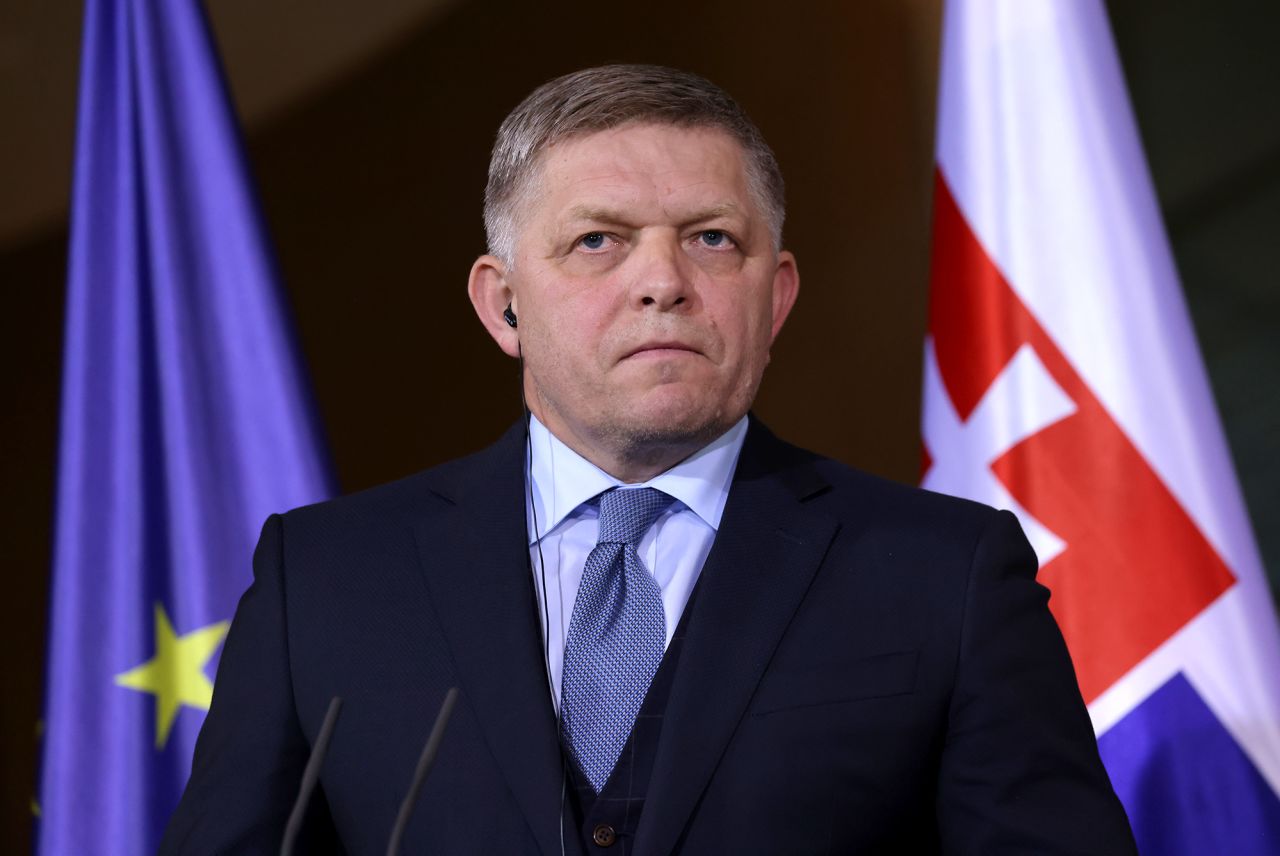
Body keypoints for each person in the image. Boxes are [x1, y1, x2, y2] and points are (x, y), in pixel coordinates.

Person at [161, 64, 1137, 855]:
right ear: (502, 303)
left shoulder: (946, 574)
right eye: (598, 241)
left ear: (776, 295)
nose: (662, 282)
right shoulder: (324, 582)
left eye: (711, 239)